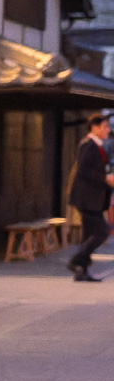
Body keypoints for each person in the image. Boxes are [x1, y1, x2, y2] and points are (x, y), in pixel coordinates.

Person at [66, 110, 113, 282]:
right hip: (86, 197)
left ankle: (81, 271)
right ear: (96, 127)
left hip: (92, 198)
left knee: (88, 234)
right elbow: (84, 170)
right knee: (102, 231)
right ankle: (76, 259)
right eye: (105, 126)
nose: (107, 130)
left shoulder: (97, 145)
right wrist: (106, 178)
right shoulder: (89, 145)